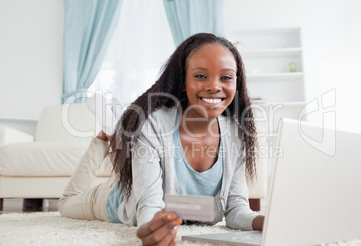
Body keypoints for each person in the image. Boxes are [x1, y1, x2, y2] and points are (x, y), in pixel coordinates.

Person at [58, 33, 265, 246]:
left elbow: (235, 210)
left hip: (182, 204)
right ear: (182, 81)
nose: (214, 86)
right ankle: (105, 137)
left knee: (137, 156)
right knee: (66, 205)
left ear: (237, 82)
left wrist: (266, 221)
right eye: (201, 76)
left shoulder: (236, 134)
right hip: (122, 197)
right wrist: (151, 227)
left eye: (226, 77)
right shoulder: (153, 124)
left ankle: (116, 134)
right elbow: (149, 206)